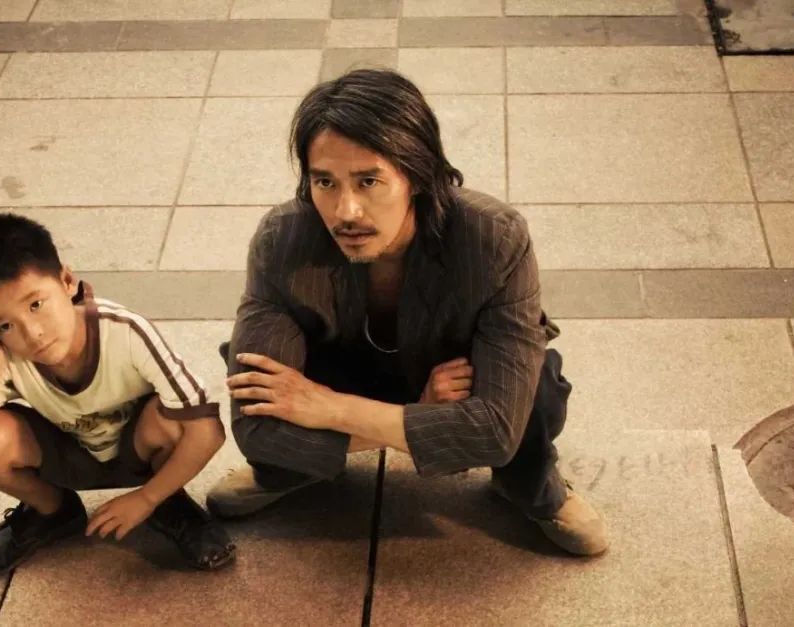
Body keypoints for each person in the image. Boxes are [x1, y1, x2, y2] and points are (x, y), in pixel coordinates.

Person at [211, 69, 608, 556]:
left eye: (369, 180)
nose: (346, 211)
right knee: (266, 391)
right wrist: (419, 423)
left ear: (416, 174)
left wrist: (333, 411)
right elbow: (255, 429)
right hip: (351, 369)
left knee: (533, 386)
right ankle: (288, 473)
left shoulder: (492, 237)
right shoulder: (283, 239)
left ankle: (528, 484)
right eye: (325, 182)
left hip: (451, 377)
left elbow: (496, 431)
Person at [0, 213, 235, 577]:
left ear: (67, 281)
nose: (33, 333)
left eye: (35, 305)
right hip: (69, 458)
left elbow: (208, 431)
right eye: (6, 325)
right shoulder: (4, 357)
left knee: (178, 420)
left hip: (139, 452)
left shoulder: (125, 332)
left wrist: (147, 498)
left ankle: (169, 503)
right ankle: (52, 512)